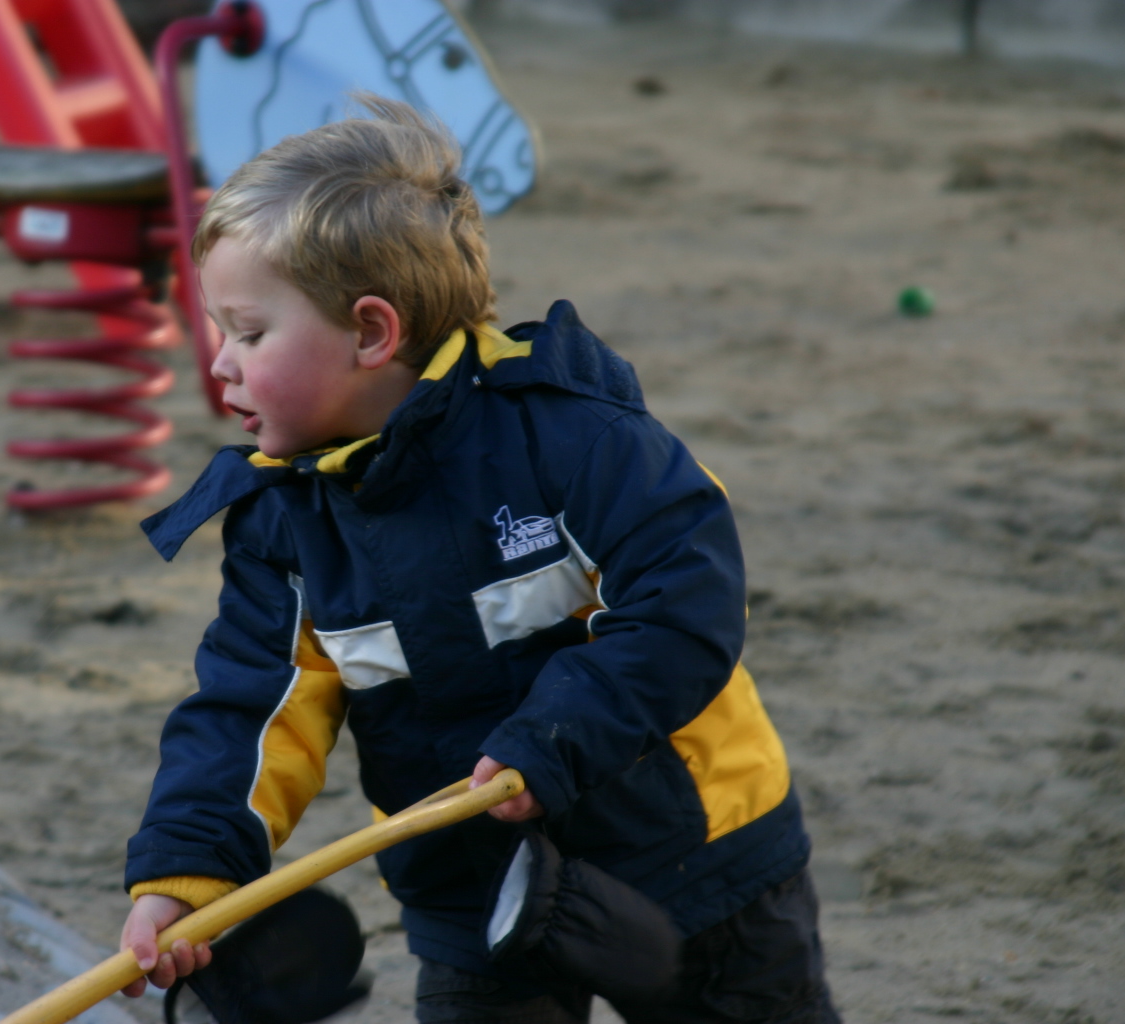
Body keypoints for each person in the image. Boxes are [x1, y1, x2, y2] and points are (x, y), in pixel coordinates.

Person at [118, 95, 840, 1024]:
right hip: (474, 890)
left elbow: (684, 607)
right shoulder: (282, 520)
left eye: (249, 333)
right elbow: (248, 711)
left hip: (693, 854)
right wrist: (187, 870)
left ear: (371, 332)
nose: (219, 363)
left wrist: (552, 738)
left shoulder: (574, 439)